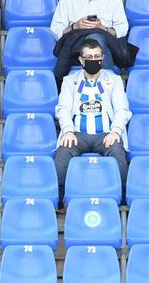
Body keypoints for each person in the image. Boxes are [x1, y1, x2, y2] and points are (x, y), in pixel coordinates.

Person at [54, 38, 130, 196]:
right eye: (89, 57)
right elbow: (63, 109)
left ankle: (122, 195)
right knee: (64, 151)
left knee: (117, 150)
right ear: (81, 60)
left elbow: (122, 109)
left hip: (105, 134)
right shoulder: (70, 81)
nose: (93, 60)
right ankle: (59, 198)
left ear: (102, 58)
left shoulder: (114, 80)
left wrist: (115, 132)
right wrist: (68, 131)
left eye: (97, 57)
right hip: (77, 134)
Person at [49, 0, 131, 81]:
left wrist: (102, 27)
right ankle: (107, 82)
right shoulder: (67, 0)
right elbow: (56, 29)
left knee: (97, 37)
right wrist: (75, 26)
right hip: (76, 47)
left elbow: (122, 29)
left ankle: (101, 79)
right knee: (96, 38)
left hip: (108, 45)